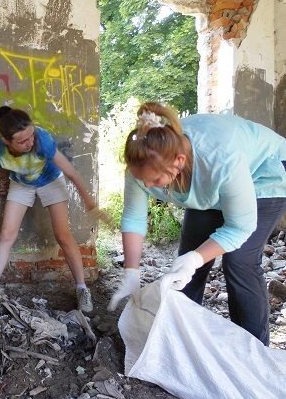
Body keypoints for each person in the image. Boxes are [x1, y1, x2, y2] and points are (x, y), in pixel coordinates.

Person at [109, 101, 286, 345]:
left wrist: (196, 258)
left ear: (178, 162)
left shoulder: (220, 159)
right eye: (143, 180)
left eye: (156, 180)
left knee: (239, 261)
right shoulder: (143, 163)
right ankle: (180, 340)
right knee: (184, 266)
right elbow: (133, 218)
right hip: (212, 186)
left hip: (265, 173)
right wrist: (131, 271)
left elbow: (240, 227)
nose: (148, 186)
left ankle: (253, 349)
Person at [0, 106, 105, 312]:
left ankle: (82, 289)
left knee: (62, 235)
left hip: (51, 180)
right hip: (21, 184)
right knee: (6, 235)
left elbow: (70, 171)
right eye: (22, 141)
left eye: (31, 136)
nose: (30, 142)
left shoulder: (41, 139)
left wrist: (88, 201)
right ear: (6, 141)